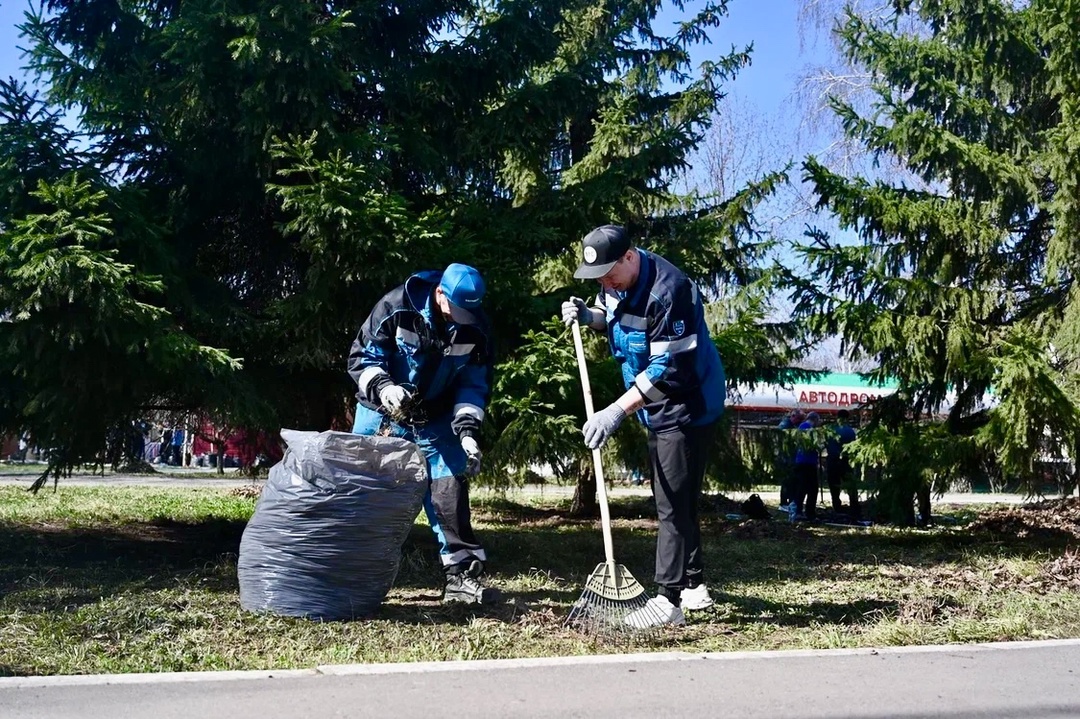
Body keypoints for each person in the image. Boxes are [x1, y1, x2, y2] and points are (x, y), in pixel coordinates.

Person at [561, 224, 726, 628]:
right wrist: (590, 316)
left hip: (686, 401)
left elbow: (669, 370)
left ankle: (668, 601)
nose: (605, 283)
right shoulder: (616, 282)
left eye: (609, 275)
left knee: (670, 500)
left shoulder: (671, 292)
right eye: (598, 279)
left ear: (629, 256)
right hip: (653, 403)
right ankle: (694, 584)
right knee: (677, 493)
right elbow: (616, 318)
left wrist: (617, 410)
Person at [348, 262, 498, 605]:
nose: (462, 319)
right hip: (382, 413)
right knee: (365, 494)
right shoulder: (396, 306)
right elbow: (361, 357)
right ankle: (352, 575)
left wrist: (468, 433)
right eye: (457, 310)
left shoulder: (476, 326)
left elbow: (473, 385)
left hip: (437, 419)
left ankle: (462, 578)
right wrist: (384, 388)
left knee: (449, 493)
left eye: (469, 313)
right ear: (440, 293)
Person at [826, 409, 859, 516]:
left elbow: (827, 444)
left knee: (834, 484)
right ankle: (854, 506)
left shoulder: (831, 430)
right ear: (847, 418)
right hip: (846, 461)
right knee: (850, 484)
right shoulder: (850, 431)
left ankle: (837, 506)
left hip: (832, 460)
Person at [793, 411, 822, 521]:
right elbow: (810, 444)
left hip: (804, 462)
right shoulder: (807, 427)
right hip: (807, 462)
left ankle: (802, 511)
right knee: (810, 489)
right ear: (815, 420)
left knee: (804, 488)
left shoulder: (802, 427)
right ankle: (806, 512)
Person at [776, 409, 805, 514]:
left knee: (791, 482)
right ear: (794, 416)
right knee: (786, 482)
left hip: (789, 457)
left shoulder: (790, 425)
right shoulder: (785, 425)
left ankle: (789, 502)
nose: (800, 422)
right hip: (785, 458)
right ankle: (783, 503)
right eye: (799, 419)